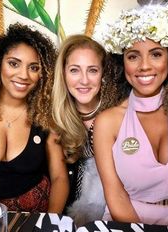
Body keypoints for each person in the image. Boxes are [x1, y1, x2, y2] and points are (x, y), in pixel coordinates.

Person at [94, 2, 168, 232]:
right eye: (133, 56)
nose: (144, 66)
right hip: (127, 224)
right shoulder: (108, 121)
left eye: (155, 54)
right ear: (121, 62)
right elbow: (115, 196)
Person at [0, 23, 69, 213]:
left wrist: (50, 221)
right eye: (14, 63)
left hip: (36, 212)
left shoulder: (46, 114)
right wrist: (0, 215)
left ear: (43, 74)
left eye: (34, 67)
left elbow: (59, 178)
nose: (24, 75)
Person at [51, 34, 130, 226]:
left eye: (92, 70)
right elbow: (58, 179)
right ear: (63, 73)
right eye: (74, 70)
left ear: (103, 73)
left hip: (118, 215)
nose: (84, 80)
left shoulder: (121, 112)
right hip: (70, 218)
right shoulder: (54, 118)